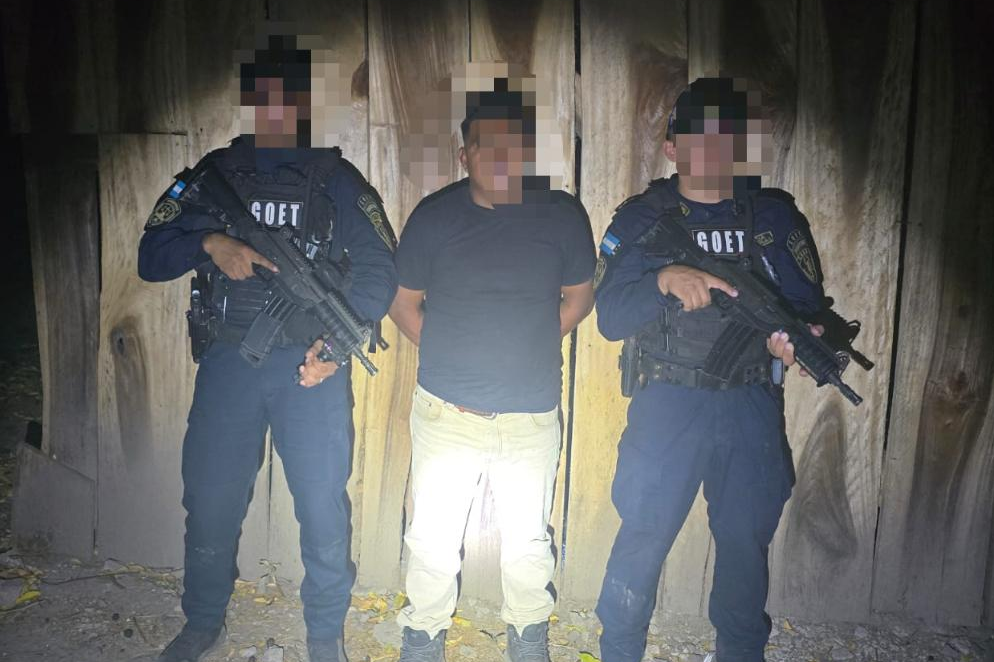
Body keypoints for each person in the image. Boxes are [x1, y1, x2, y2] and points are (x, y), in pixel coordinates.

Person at [137, 34, 398, 662]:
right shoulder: (213, 176)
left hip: (312, 367)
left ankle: (324, 635)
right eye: (268, 95)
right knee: (210, 498)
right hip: (230, 363)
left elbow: (379, 270)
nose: (279, 107)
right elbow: (151, 256)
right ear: (252, 100)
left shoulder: (337, 180)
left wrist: (336, 345)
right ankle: (203, 624)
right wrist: (211, 245)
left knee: (322, 506)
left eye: (291, 96)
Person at [593, 77, 826, 662]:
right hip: (668, 403)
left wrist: (798, 343)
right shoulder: (642, 220)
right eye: (700, 136)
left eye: (728, 136)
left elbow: (807, 311)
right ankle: (619, 649)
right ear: (673, 147)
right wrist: (662, 281)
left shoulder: (773, 219)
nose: (715, 148)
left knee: (745, 542)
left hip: (749, 403)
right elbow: (610, 318)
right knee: (644, 534)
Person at [387, 77, 597, 662]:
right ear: (465, 155)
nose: (502, 158)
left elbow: (579, 299)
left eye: (514, 146)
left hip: (530, 415)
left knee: (527, 541)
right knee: (431, 538)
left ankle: (528, 638)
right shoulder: (434, 218)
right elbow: (402, 304)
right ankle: (423, 637)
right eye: (488, 146)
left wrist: (527, 343)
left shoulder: (562, 217)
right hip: (446, 412)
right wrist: (451, 351)